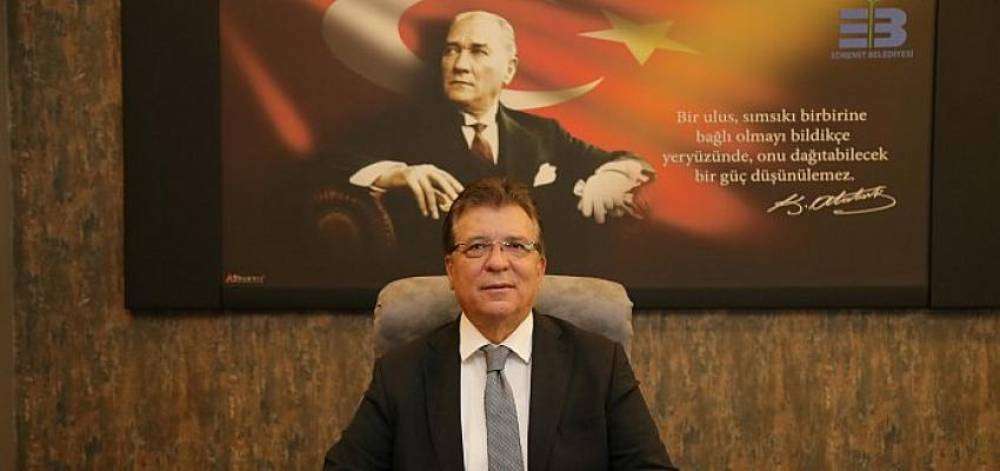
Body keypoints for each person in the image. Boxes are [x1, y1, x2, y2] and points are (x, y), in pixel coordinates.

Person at [325, 177, 676, 470]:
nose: (497, 262)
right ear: (451, 269)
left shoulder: (600, 365)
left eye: (516, 246)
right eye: (477, 247)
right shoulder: (401, 375)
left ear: (540, 267)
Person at [342, 10, 653, 224]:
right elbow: (331, 162)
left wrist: (611, 177)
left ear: (509, 69)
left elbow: (630, 161)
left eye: (478, 51)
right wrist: (398, 174)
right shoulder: (403, 126)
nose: (459, 64)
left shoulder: (543, 133)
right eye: (451, 50)